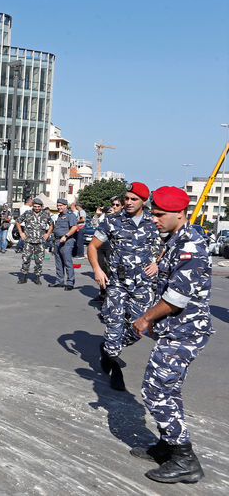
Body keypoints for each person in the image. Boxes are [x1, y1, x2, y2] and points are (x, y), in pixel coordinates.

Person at [130, 186, 213, 484]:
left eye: (159, 215)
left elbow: (177, 297)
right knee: (165, 389)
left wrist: (145, 319)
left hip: (185, 332)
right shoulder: (176, 239)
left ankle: (185, 459)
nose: (154, 219)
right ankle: (168, 445)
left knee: (157, 392)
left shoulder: (190, 245)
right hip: (174, 330)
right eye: (153, 214)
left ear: (180, 214)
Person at [87, 182, 160, 391]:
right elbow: (93, 246)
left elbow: (169, 245)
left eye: (133, 199)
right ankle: (114, 363)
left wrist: (158, 262)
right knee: (114, 326)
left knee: (139, 329)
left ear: (143, 201)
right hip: (117, 284)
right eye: (126, 198)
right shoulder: (112, 221)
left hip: (144, 285)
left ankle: (110, 347)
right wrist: (97, 269)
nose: (128, 202)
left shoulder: (154, 221)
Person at [16, 198, 53, 284]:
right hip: (28, 240)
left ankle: (37, 277)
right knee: (26, 259)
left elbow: (51, 225)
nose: (36, 208)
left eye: (38, 207)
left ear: (41, 206)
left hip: (40, 241)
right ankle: (24, 276)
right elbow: (18, 221)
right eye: (35, 206)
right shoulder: (27, 213)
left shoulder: (45, 214)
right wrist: (21, 233)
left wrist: (47, 234)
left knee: (39, 260)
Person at [49, 198, 78, 290]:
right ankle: (59, 281)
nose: (59, 207)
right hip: (57, 241)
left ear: (66, 206)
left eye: (61, 205)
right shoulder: (59, 215)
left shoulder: (70, 215)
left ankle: (70, 283)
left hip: (66, 241)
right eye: (58, 206)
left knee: (67, 262)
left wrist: (66, 236)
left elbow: (74, 227)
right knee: (58, 262)